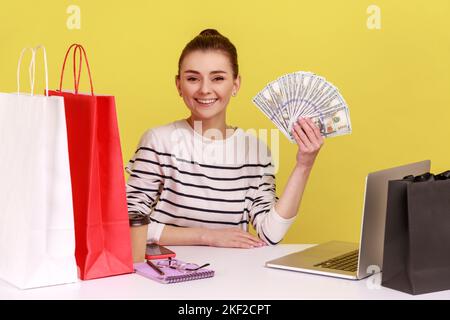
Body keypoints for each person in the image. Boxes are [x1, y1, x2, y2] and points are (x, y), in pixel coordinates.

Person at [126, 29, 323, 248]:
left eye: (218, 78)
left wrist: (304, 165)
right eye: (192, 78)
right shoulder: (158, 141)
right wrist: (207, 236)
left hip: (232, 276)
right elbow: (126, 226)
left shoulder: (256, 151)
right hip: (167, 274)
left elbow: (270, 234)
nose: (204, 89)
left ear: (236, 84)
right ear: (178, 85)